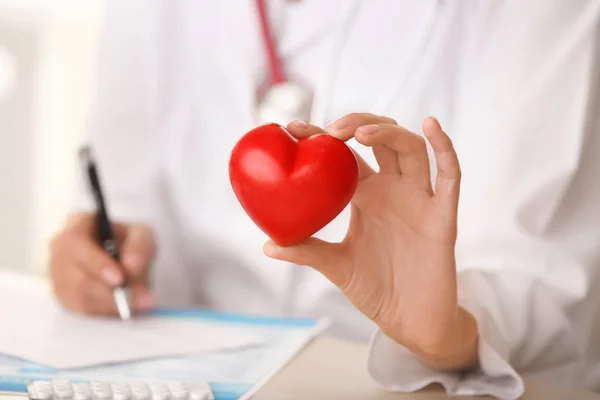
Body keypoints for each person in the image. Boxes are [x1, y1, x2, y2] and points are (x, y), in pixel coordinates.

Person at [48, 1, 600, 399]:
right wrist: (106, 263)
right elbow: (126, 204)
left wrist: (447, 334)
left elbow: (541, 277)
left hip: (406, 386)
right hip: (197, 374)